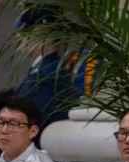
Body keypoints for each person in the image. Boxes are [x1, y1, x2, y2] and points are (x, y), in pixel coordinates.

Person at [15, 3, 78, 143]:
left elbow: (27, 119)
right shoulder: (41, 69)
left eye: (26, 32)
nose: (19, 37)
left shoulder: (50, 73)